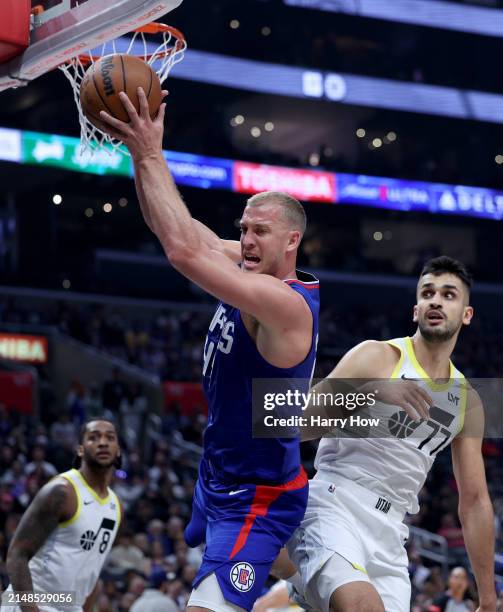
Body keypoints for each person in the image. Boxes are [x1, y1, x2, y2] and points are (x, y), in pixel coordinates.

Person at [99, 90, 319, 611]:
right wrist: (138, 154)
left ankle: (305, 583)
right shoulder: (250, 265)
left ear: (291, 242)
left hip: (259, 500)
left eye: (259, 232)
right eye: (243, 228)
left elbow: (182, 251)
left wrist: (153, 150)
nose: (244, 240)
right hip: (217, 472)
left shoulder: (284, 304)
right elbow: (175, 229)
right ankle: (303, 579)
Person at [279, 256, 495, 612]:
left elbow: (474, 503)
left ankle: (298, 574)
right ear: (416, 310)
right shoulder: (377, 356)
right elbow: (293, 425)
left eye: (448, 294)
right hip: (336, 503)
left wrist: (488, 596)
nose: (436, 300)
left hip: (392, 532)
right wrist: (373, 391)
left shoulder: (468, 401)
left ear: (466, 314)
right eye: (427, 293)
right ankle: (291, 561)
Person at [5, 419, 122, 612]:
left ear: (118, 450)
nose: (102, 442)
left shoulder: (116, 506)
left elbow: (92, 570)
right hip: (33, 602)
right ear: (81, 450)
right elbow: (16, 554)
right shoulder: (62, 491)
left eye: (110, 438)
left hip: (70, 605)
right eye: (93, 437)